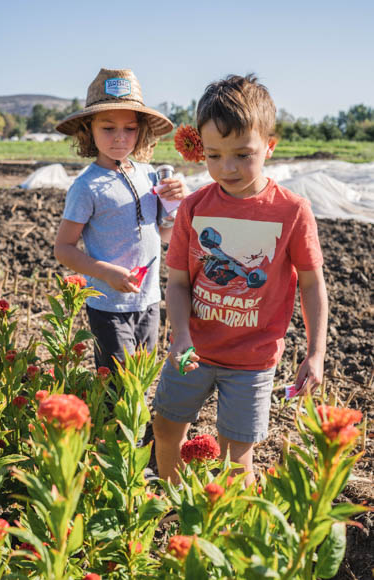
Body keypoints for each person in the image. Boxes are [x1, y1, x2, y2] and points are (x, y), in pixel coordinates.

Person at [152, 74, 328, 486]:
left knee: (236, 455)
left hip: (252, 361)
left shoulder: (291, 211)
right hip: (191, 350)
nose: (226, 168)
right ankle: (175, 509)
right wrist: (180, 336)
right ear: (200, 149)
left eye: (243, 155)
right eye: (213, 155)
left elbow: (311, 284)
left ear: (269, 146)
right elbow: (177, 282)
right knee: (165, 429)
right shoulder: (194, 208)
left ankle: (232, 533)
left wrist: (315, 353)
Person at [54, 68, 189, 371]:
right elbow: (63, 248)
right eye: (108, 128)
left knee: (139, 383)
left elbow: (165, 235)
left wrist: (176, 205)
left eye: (129, 128)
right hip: (109, 305)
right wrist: (106, 273)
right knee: (118, 385)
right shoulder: (86, 186)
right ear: (88, 129)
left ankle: (136, 422)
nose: (120, 138)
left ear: (141, 130)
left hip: (149, 300)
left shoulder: (150, 174)